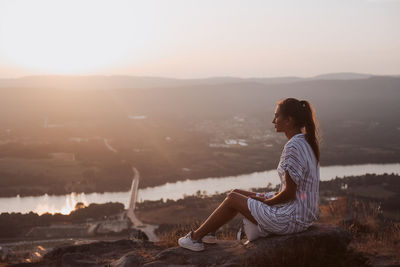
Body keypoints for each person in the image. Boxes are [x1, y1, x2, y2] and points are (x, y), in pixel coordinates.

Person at [178, 98, 320, 251]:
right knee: (236, 193)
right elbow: (294, 192)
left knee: (233, 199)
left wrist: (266, 203)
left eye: (277, 116)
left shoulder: (293, 147)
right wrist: (263, 199)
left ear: (289, 120)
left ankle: (195, 238)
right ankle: (209, 232)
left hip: (290, 219)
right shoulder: (306, 141)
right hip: (302, 215)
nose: (273, 121)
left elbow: (289, 194)